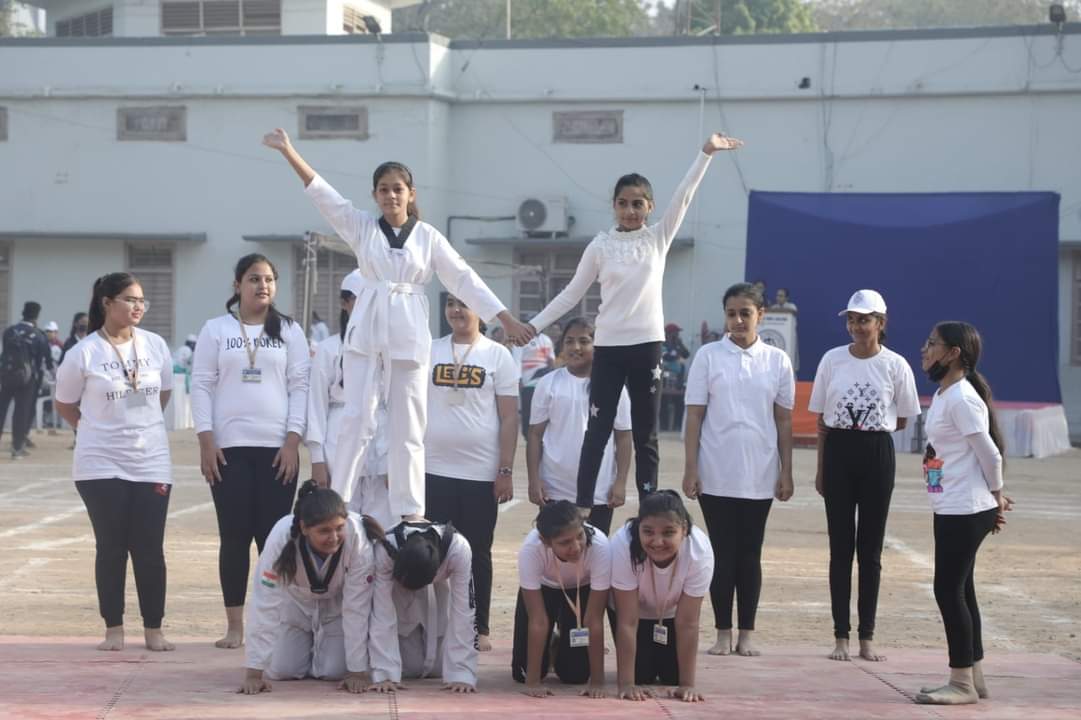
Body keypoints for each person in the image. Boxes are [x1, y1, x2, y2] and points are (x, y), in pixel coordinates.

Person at [263, 128, 532, 523]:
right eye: (384, 189)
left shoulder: (428, 237)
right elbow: (324, 196)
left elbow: (463, 278)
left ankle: (410, 510)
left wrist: (504, 317)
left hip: (408, 330)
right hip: (368, 327)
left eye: (398, 189)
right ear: (375, 195)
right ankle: (340, 499)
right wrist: (288, 150)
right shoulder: (361, 228)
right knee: (357, 416)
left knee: (408, 423)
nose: (391, 195)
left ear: (411, 194)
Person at [525, 133, 743, 509]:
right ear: (614, 206)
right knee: (598, 429)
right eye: (623, 204)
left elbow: (685, 196)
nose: (630, 211)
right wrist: (532, 326)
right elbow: (571, 294)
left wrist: (706, 153)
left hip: (647, 347)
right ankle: (582, 505)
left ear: (650, 206)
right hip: (609, 348)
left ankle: (648, 507)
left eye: (638, 204)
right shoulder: (600, 246)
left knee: (645, 433)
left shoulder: (658, 238)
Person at [192, 253, 311, 650]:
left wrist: (292, 441)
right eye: (254, 279)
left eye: (269, 280)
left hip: (277, 451)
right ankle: (235, 627)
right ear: (237, 285)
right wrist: (206, 440)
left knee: (274, 541)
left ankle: (273, 623)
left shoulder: (289, 330)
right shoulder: (216, 330)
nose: (263, 286)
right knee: (234, 537)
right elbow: (201, 385)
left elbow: (300, 387)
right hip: (228, 451)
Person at [54, 273, 175, 652]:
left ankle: (154, 630)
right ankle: (114, 629)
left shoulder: (155, 345)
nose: (138, 306)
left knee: (150, 549)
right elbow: (64, 403)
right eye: (129, 299)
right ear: (107, 303)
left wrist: (140, 426)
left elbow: (163, 393)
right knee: (111, 547)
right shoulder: (84, 353)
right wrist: (93, 429)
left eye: (141, 301)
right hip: (100, 465)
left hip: (151, 461)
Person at [682, 283, 795, 657]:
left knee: (749, 553)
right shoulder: (708, 356)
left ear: (761, 315)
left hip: (760, 473)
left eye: (745, 313)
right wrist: (691, 468)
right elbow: (694, 416)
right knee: (721, 553)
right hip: (716, 471)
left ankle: (746, 632)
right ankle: (722, 632)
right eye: (731, 313)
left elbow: (783, 420)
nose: (738, 320)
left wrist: (786, 471)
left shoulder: (777, 361)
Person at [808, 289, 920, 662]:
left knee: (870, 551)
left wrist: (872, 428)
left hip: (877, 453)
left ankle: (867, 637)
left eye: (865, 320)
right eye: (852, 320)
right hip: (838, 452)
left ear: (880, 323)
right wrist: (822, 469)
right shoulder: (832, 360)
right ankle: (840, 636)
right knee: (840, 549)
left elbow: (901, 418)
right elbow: (822, 421)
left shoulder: (896, 365)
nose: (857, 326)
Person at [914, 322, 1013, 705]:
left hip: (965, 509)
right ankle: (975, 677)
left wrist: (997, 496)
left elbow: (991, 454)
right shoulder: (945, 394)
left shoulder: (961, 399)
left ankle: (961, 683)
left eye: (932, 344)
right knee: (962, 589)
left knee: (948, 590)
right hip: (952, 504)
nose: (924, 350)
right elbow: (946, 453)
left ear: (954, 353)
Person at [424, 294, 520, 652]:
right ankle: (435, 627)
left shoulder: (498, 355)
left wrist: (505, 468)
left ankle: (480, 627)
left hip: (480, 472)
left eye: (464, 303)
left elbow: (509, 417)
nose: (456, 310)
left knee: (478, 550)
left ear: (480, 310)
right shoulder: (430, 349)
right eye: (450, 303)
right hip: (432, 468)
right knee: (431, 550)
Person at [240, 481, 381, 695]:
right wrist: (254, 672)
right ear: (304, 528)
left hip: (337, 604)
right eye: (324, 531)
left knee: (335, 671)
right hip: (295, 603)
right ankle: (306, 647)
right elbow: (264, 603)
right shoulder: (281, 536)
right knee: (282, 670)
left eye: (339, 528)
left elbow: (357, 608)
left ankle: (324, 653)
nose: (334, 537)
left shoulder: (357, 537)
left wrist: (357, 671)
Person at [526, 317, 631, 535]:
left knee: (595, 548)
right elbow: (535, 435)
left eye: (584, 341)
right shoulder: (548, 383)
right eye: (569, 341)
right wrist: (534, 480)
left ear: (597, 346)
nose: (576, 347)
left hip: (598, 491)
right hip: (555, 489)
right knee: (557, 548)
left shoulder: (613, 387)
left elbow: (623, 437)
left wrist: (620, 482)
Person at [306, 271, 394, 529]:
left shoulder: (388, 348)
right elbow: (316, 406)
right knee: (344, 520)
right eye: (359, 299)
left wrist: (396, 460)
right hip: (339, 440)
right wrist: (317, 460)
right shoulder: (329, 349)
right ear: (345, 303)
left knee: (383, 525)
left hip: (382, 442)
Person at [611, 490, 713, 703]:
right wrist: (626, 684)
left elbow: (688, 623)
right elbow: (627, 621)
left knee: (673, 677)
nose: (657, 542)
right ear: (638, 527)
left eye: (668, 533)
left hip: (671, 614)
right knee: (640, 675)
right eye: (648, 532)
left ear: (684, 529)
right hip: (633, 612)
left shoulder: (699, 551)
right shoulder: (622, 544)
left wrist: (687, 685)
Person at [511, 501, 611, 698]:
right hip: (544, 588)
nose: (576, 547)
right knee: (522, 674)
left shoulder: (600, 546)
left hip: (581, 589)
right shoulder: (531, 549)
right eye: (565, 543)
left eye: (579, 536)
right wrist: (533, 683)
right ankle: (550, 642)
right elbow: (538, 620)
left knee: (575, 675)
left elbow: (594, 619)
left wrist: (597, 682)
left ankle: (559, 644)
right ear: (546, 541)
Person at [367, 520, 478, 693]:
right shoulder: (385, 548)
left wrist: (462, 674)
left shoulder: (459, 549)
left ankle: (460, 669)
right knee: (411, 667)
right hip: (397, 591)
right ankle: (386, 668)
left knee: (438, 668)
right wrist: (384, 674)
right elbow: (381, 611)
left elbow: (464, 610)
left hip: (438, 586)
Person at [0, 300, 53, 459]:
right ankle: (17, 448)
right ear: (36, 316)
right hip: (28, 379)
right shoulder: (39, 335)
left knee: (1, 409)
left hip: (7, 375)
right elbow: (46, 360)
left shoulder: (9, 331)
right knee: (21, 412)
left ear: (23, 313)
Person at [513, 327, 557, 438]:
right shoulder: (522, 338)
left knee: (545, 413)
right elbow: (516, 361)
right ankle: (528, 437)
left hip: (545, 383)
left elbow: (551, 361)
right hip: (528, 383)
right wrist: (519, 381)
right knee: (528, 413)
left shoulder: (546, 339)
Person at [660, 322, 689, 431]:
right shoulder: (663, 343)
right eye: (675, 333)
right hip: (665, 376)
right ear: (668, 333)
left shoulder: (678, 344)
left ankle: (677, 426)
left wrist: (679, 345)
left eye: (677, 333)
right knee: (664, 401)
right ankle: (664, 426)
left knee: (679, 401)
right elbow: (666, 356)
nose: (677, 335)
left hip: (677, 378)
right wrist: (676, 353)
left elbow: (686, 354)